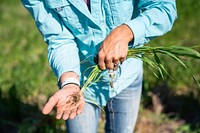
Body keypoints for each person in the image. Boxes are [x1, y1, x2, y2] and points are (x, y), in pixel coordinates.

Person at [21, 0, 177, 132]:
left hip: (127, 76)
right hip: (82, 83)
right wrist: (70, 82)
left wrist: (126, 32)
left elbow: (164, 8)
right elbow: (59, 38)